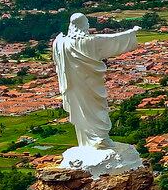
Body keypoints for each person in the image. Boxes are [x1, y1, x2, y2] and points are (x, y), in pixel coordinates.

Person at [52, 13, 139, 149]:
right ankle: (100, 139)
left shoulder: (61, 43)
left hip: (73, 85)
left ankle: (87, 142)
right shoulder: (91, 42)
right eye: (87, 22)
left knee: (81, 110)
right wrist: (132, 32)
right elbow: (114, 40)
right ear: (83, 24)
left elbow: (57, 60)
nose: (88, 25)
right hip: (91, 84)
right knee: (97, 109)